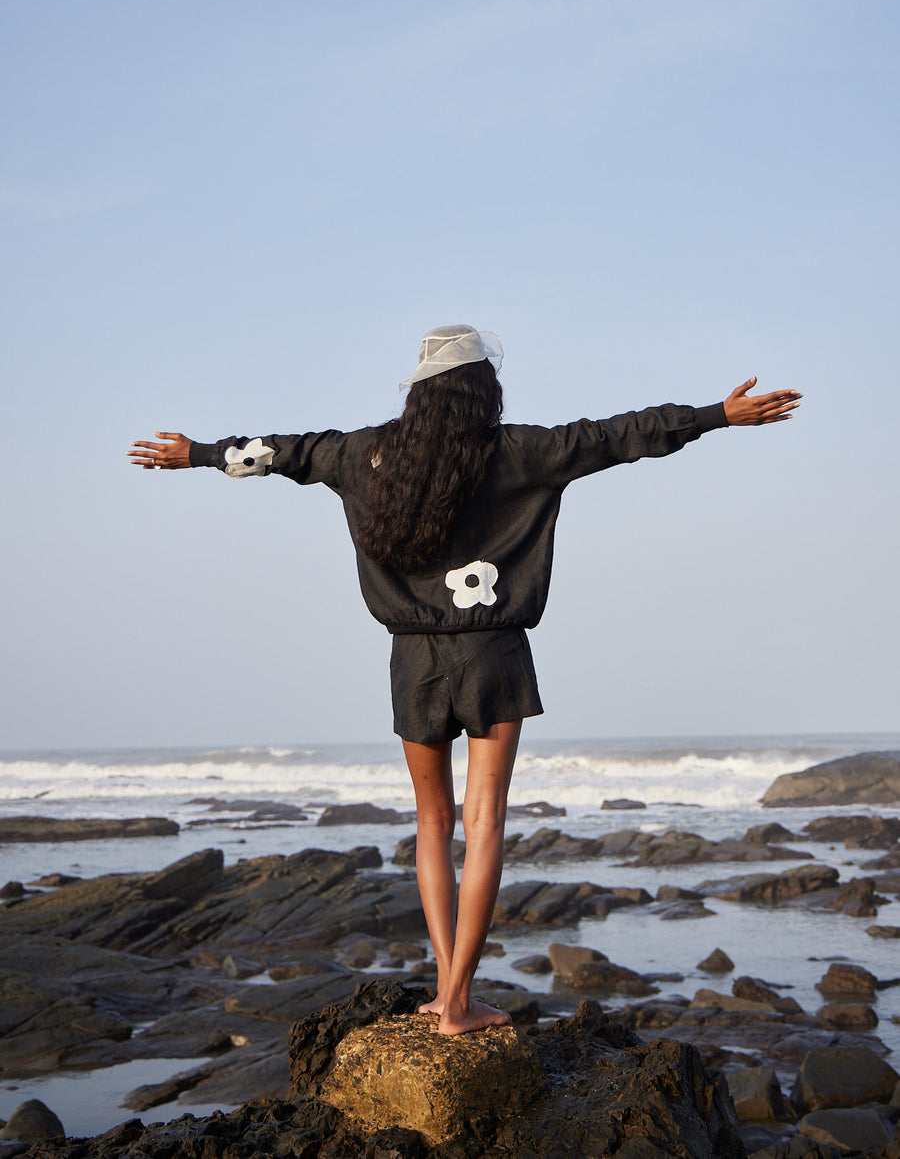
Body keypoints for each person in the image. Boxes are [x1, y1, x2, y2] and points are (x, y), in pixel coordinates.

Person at [129, 324, 800, 1034]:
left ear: (418, 389)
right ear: (485, 387)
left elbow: (277, 453)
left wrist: (195, 455)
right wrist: (717, 416)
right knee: (485, 825)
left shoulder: (362, 453)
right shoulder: (519, 450)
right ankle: (455, 999)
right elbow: (618, 435)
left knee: (431, 822)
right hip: (494, 654)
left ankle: (447, 990)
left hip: (412, 659)